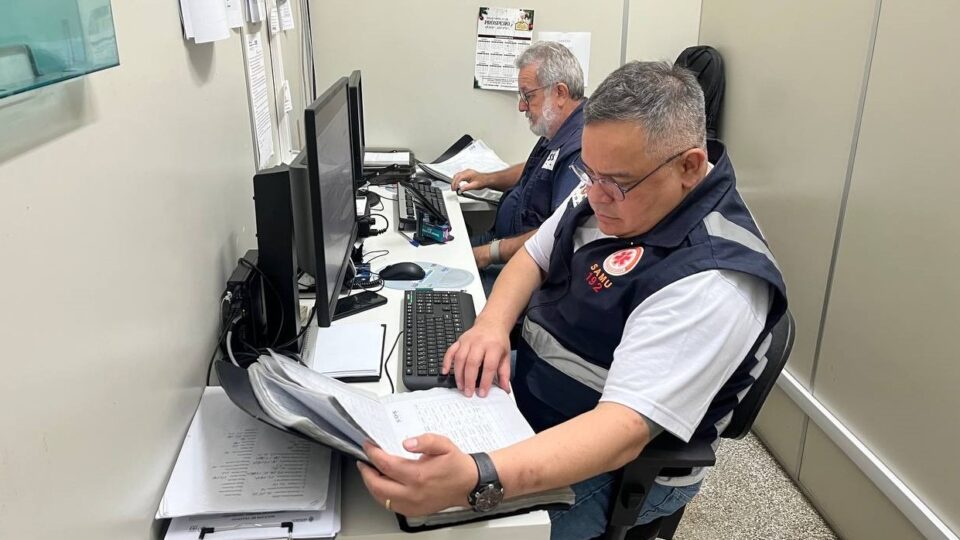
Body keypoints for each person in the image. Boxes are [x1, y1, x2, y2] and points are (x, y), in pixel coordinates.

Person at [357, 62, 788, 540]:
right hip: (539, 394)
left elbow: (621, 431)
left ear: (688, 166)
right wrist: (492, 326)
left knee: (427, 530)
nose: (595, 196)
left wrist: (481, 475)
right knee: (388, 429)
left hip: (616, 462)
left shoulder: (714, 279)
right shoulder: (610, 186)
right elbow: (533, 257)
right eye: (589, 173)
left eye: (615, 183)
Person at [453, 41, 585, 294]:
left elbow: (558, 233)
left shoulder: (580, 149)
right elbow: (537, 171)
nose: (522, 106)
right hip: (500, 246)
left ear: (560, 93)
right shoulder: (558, 129)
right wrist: (487, 178)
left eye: (528, 95)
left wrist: (490, 253)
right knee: (440, 255)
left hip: (521, 268)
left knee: (438, 288)